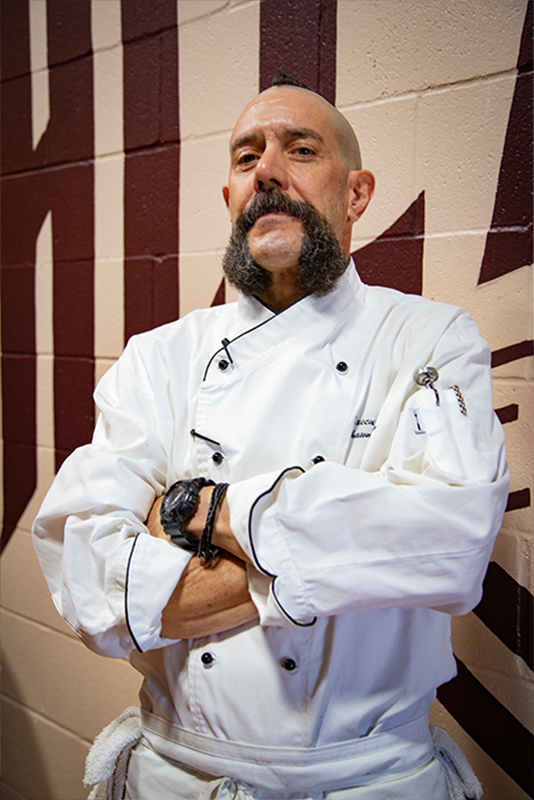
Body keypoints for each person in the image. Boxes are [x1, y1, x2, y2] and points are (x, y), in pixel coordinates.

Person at [33, 74, 509, 800]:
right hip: (175, 778)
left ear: (356, 193)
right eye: (246, 155)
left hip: (368, 782)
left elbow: (451, 545)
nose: (268, 172)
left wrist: (197, 511)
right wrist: (344, 553)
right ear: (229, 199)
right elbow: (93, 588)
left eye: (301, 149)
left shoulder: (430, 338)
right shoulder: (157, 358)